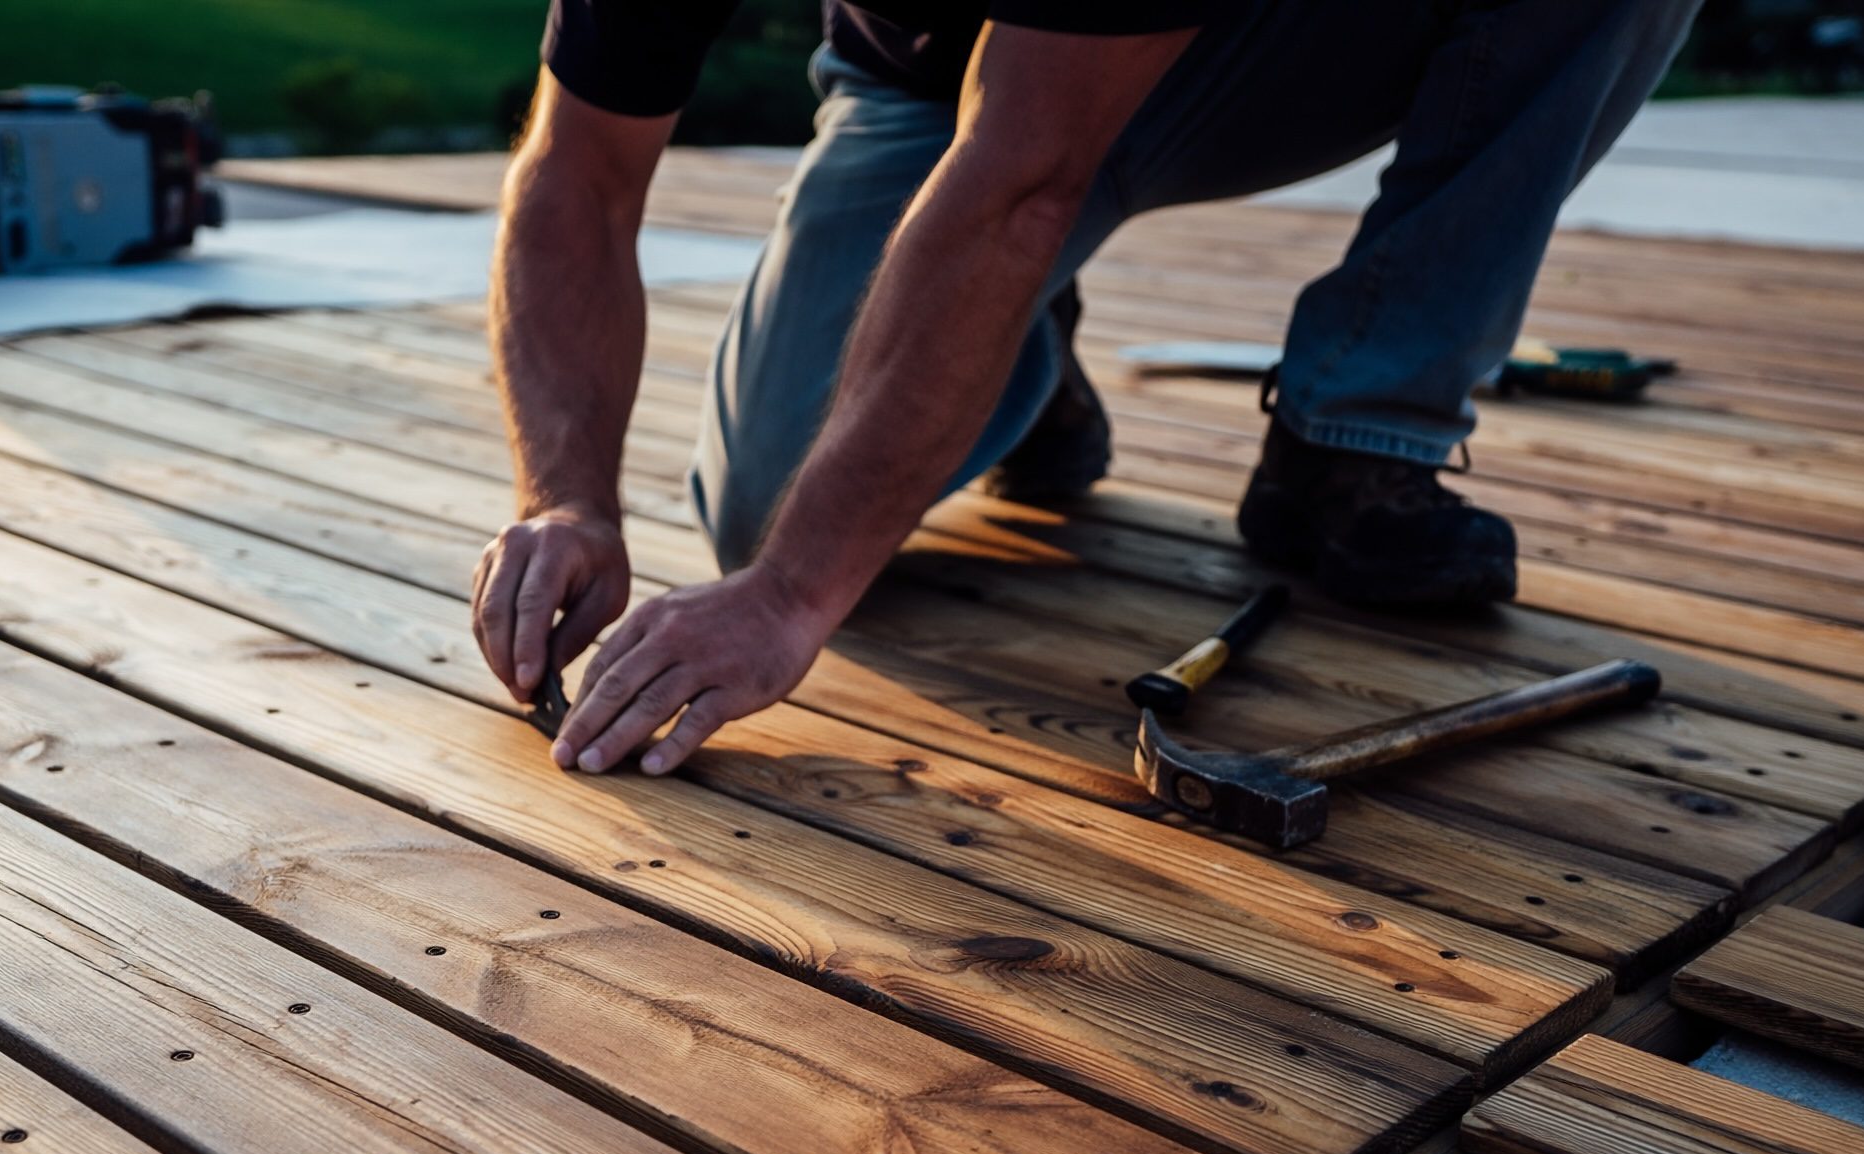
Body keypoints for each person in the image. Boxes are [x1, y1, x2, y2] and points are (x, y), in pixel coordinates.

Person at [473, 0, 1700, 778]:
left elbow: (1025, 177)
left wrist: (792, 598)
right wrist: (566, 496)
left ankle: (1362, 422)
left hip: (1280, 46)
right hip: (933, 89)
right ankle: (1004, 342)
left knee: (804, 557)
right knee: (765, 500)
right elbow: (575, 175)